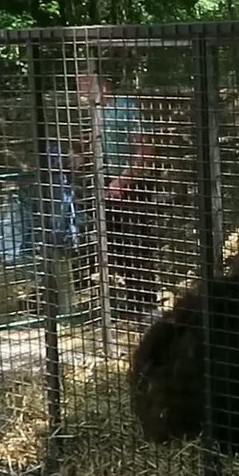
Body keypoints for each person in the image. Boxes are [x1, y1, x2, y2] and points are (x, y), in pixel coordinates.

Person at [80, 74, 159, 322]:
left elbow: (145, 151)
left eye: (83, 85)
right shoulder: (92, 113)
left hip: (130, 185)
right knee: (112, 243)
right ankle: (127, 298)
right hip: (103, 183)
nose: (79, 92)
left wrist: (123, 180)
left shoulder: (125, 107)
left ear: (101, 85)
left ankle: (146, 303)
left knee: (137, 242)